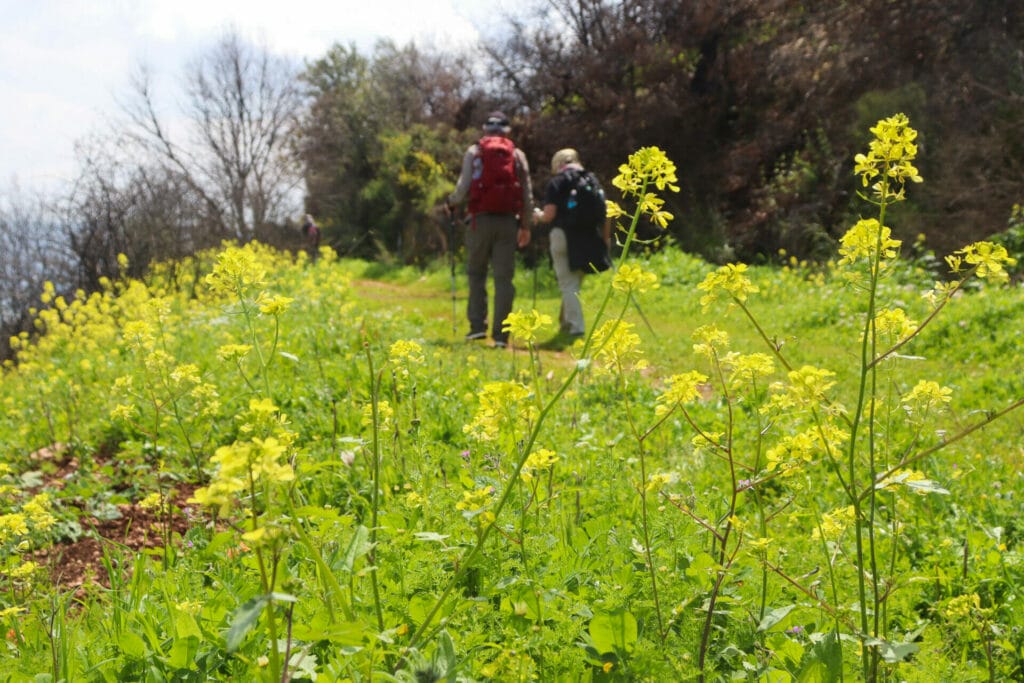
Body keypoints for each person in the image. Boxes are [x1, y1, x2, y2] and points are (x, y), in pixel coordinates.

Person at [446, 111, 533, 349]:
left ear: (485, 130)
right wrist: (526, 226)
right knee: (504, 279)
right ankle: (501, 337)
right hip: (507, 222)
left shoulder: (474, 153)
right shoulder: (517, 155)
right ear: (507, 131)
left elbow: (463, 187)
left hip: (478, 221)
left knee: (476, 274)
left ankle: (477, 328)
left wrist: (451, 203)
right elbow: (527, 194)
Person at [533, 148, 611, 344]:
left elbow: (549, 214)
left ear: (557, 164)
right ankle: (566, 322)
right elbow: (607, 210)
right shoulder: (591, 179)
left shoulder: (557, 182)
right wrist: (606, 239)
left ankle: (576, 329)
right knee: (574, 283)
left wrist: (538, 215)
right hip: (589, 238)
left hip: (563, 236)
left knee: (568, 284)